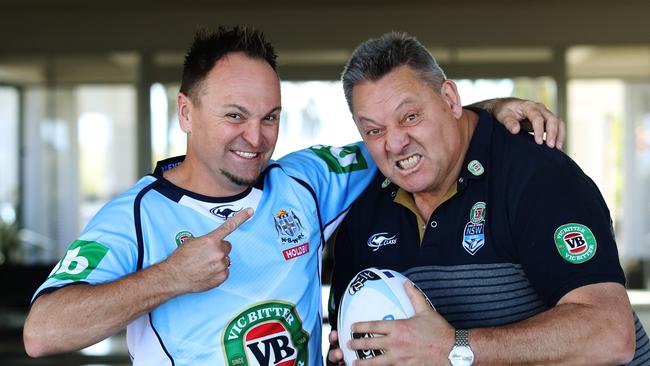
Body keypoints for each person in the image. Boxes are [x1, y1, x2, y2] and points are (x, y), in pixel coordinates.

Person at [23, 26, 563, 366]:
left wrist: (490, 106)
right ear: (186, 113)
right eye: (234, 116)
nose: (254, 138)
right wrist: (170, 277)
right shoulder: (137, 215)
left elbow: (398, 138)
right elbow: (43, 333)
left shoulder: (304, 180)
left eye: (269, 118)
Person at [327, 32, 650, 366]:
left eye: (410, 117)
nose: (395, 144)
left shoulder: (536, 175)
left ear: (450, 100)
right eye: (374, 130)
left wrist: (454, 348)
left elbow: (610, 333)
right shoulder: (361, 212)